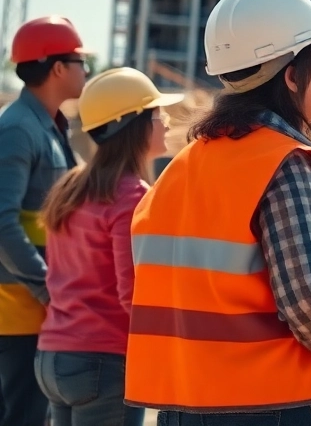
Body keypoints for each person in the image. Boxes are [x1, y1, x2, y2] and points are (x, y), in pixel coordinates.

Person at [124, 0, 311, 424]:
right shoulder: (284, 161)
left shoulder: (183, 167)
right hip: (279, 405)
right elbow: (309, 295)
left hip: (185, 404)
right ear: (290, 74)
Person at [36, 68, 181, 426]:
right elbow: (134, 294)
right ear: (134, 125)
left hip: (54, 356)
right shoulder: (132, 195)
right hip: (103, 363)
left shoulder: (72, 185)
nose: (166, 122)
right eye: (157, 114)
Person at [0, 16, 88, 426]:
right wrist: (48, 288)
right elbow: (2, 225)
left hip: (37, 311)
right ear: (57, 68)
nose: (86, 70)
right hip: (16, 313)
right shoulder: (18, 129)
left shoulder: (50, 127)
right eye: (79, 61)